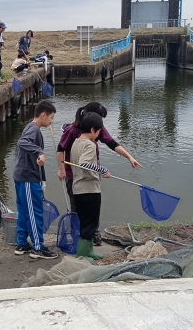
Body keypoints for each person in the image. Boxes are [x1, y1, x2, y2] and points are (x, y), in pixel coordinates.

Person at [56, 102, 142, 245]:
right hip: (75, 175)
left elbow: (112, 143)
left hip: (92, 174)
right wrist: (61, 169)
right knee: (77, 206)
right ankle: (80, 237)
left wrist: (129, 157)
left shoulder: (96, 128)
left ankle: (93, 234)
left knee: (93, 206)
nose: (101, 125)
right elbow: (61, 149)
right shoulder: (72, 130)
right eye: (100, 118)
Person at [13, 100, 58, 259]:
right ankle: (38, 248)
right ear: (43, 115)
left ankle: (22, 243)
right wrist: (39, 151)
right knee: (35, 213)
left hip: (22, 176)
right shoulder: (34, 129)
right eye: (51, 117)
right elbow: (22, 142)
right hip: (28, 178)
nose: (52, 121)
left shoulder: (30, 127)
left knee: (24, 212)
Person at [70, 111, 111, 261]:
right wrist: (103, 170)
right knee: (90, 223)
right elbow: (84, 163)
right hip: (88, 190)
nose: (99, 135)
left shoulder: (76, 142)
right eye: (99, 131)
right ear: (93, 130)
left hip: (78, 189)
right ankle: (81, 255)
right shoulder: (90, 145)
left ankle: (89, 251)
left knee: (87, 222)